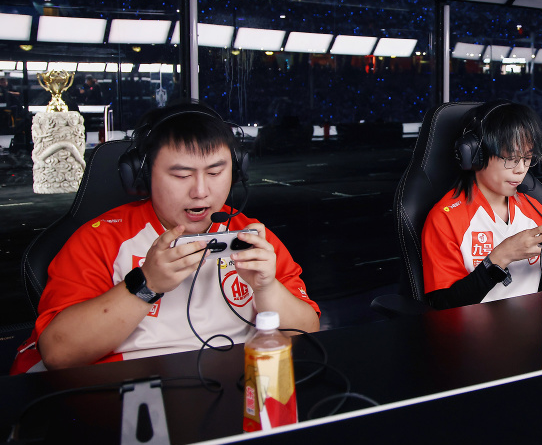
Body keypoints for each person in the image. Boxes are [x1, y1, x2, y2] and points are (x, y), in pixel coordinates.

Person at [12, 102, 320, 374]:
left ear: (236, 169)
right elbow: (59, 354)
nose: (201, 191)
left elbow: (308, 331)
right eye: (181, 175)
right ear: (144, 175)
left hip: (237, 384)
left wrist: (266, 287)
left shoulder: (251, 236)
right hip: (129, 392)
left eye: (215, 173)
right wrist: (146, 284)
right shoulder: (100, 239)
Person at [421, 101, 542, 309]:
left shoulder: (534, 209)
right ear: (475, 154)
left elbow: (541, 284)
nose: (521, 169)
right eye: (511, 158)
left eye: (528, 158)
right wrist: (501, 257)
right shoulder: (446, 218)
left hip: (532, 321)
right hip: (473, 328)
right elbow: (443, 306)